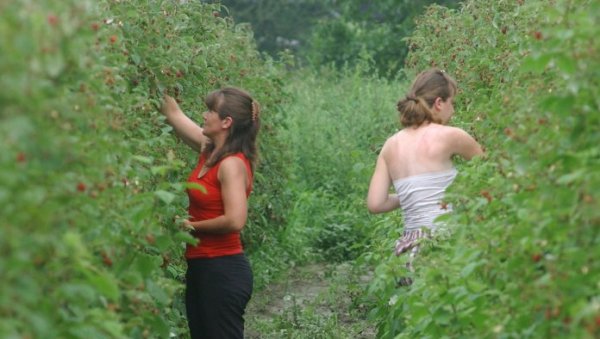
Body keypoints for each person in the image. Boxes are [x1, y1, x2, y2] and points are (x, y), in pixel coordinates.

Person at [366, 69, 483, 285]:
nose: (453, 110)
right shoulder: (451, 136)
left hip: (407, 252)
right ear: (439, 103)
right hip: (444, 245)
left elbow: (375, 204)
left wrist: (413, 195)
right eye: (452, 103)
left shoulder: (390, 145)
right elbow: (491, 172)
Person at [160, 87, 260, 338]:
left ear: (226, 122)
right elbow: (174, 114)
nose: (204, 115)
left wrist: (189, 225)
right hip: (202, 267)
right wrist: (149, 76)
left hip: (223, 270)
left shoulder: (231, 164)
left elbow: (235, 220)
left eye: (210, 111)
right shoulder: (211, 151)